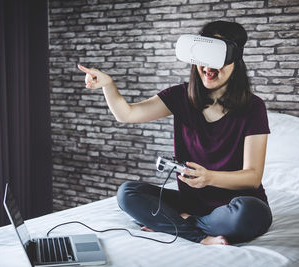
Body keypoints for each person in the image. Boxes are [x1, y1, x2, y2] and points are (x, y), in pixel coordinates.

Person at [77, 20, 272, 245]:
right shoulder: (180, 97)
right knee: (127, 193)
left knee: (249, 212)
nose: (207, 67)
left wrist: (210, 177)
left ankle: (177, 224)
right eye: (203, 57)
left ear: (235, 60)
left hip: (234, 207)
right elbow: (127, 114)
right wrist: (107, 85)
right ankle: (198, 234)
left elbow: (252, 177)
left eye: (215, 56)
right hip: (191, 202)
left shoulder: (253, 107)